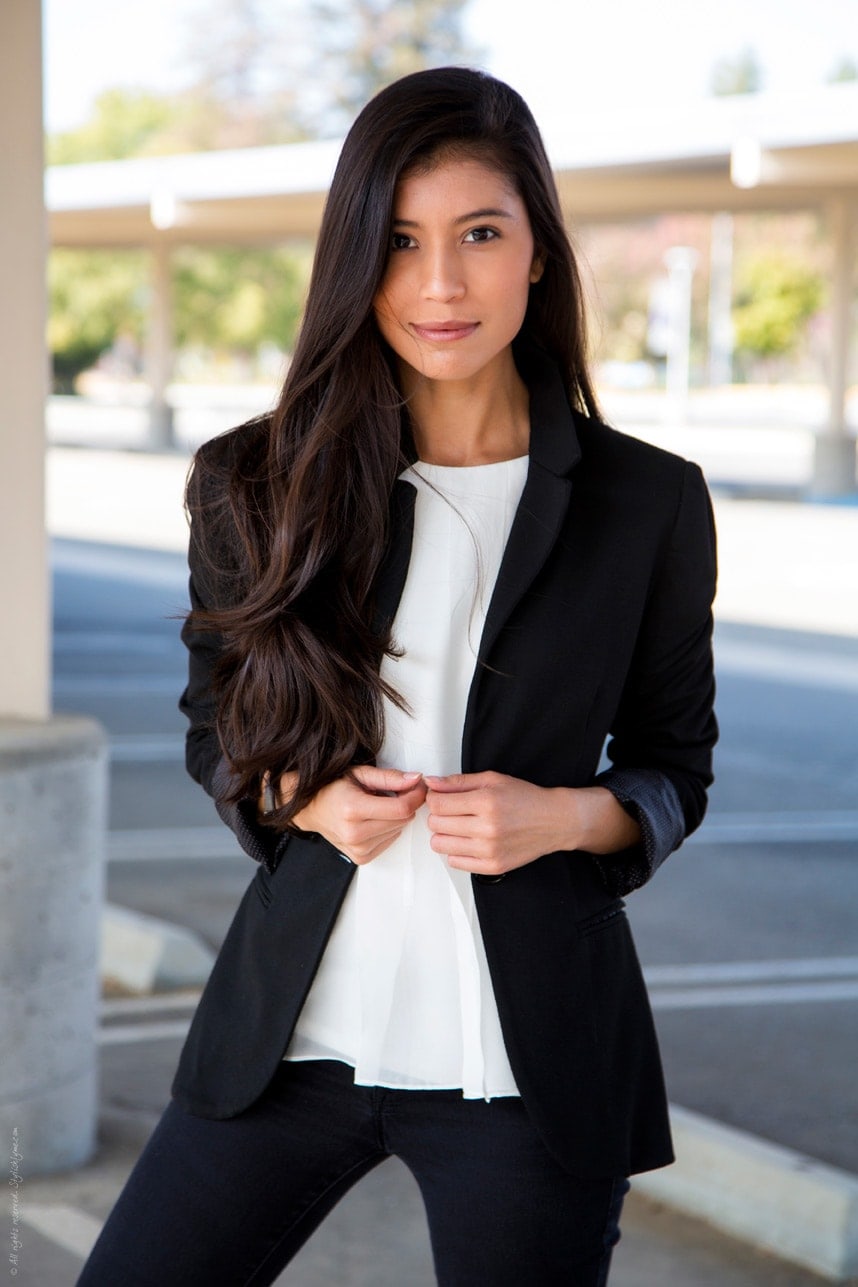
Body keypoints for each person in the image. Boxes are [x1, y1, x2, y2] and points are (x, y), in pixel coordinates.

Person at [77, 66, 717, 1287]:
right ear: (355, 257)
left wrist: (565, 817)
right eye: (402, 240)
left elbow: (675, 763)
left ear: (537, 251)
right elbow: (218, 729)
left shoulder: (649, 503)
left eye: (481, 234)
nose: (439, 284)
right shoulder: (253, 484)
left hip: (526, 1069)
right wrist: (303, 797)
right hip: (289, 1041)